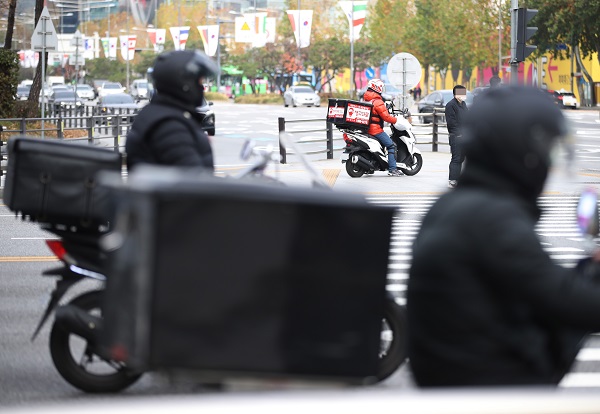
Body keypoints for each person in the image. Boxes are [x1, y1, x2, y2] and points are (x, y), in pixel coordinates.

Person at [406, 86, 600, 387]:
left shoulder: (455, 204)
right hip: (492, 391)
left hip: (458, 382)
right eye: (547, 149)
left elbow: (540, 284)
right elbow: (566, 301)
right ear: (524, 149)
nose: (549, 164)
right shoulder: (491, 219)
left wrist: (590, 269)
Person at [126, 50, 219, 171]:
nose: (201, 87)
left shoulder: (162, 112)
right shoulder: (170, 127)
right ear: (184, 83)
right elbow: (195, 180)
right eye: (199, 82)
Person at [363, 78, 411, 177]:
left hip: (367, 128)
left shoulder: (367, 100)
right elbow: (386, 117)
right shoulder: (377, 101)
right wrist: (396, 120)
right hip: (375, 129)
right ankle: (392, 169)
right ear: (377, 87)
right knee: (391, 145)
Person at [445, 85, 469, 188]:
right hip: (456, 136)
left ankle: (459, 178)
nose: (463, 95)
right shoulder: (451, 105)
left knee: (462, 158)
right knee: (456, 157)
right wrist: (458, 133)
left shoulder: (463, 104)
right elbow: (451, 122)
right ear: (455, 94)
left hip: (464, 135)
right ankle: (452, 180)